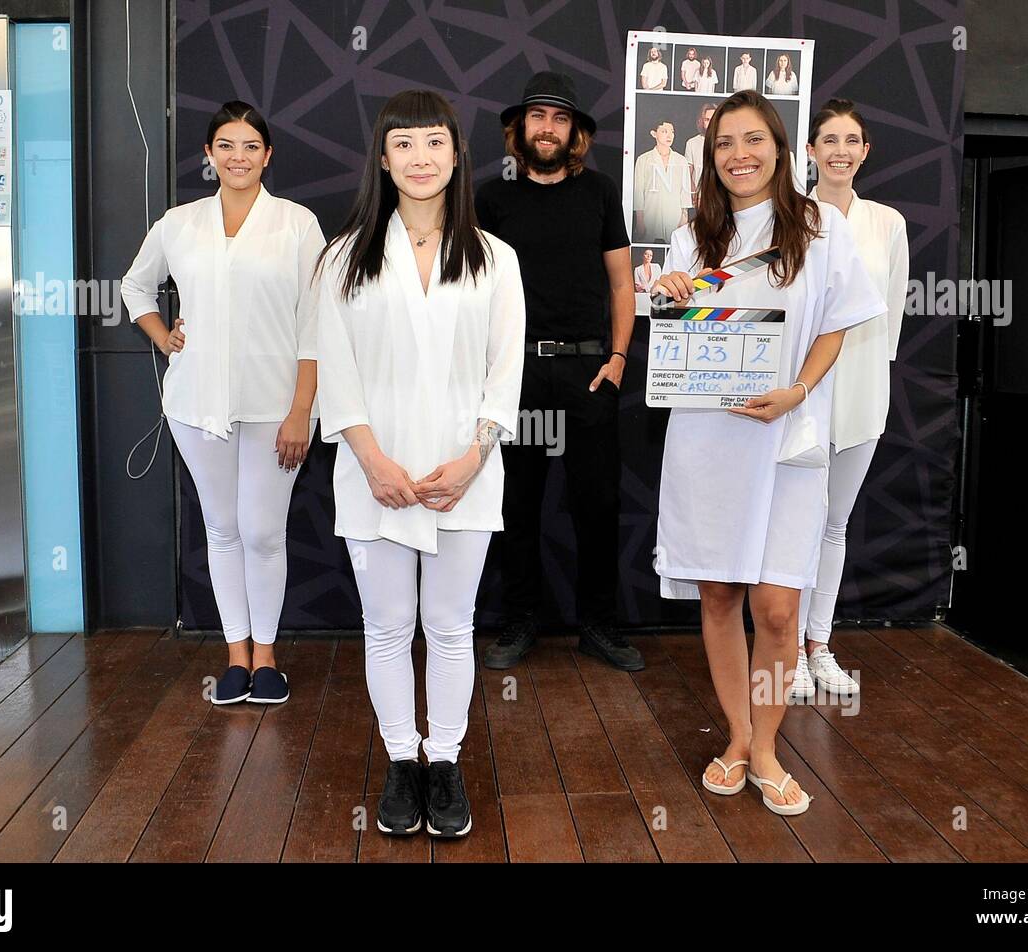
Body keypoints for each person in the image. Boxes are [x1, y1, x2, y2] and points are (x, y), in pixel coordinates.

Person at [652, 90, 883, 815]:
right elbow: (676, 331)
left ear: (782, 151)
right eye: (724, 143)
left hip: (789, 433)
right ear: (710, 156)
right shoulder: (694, 237)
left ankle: (767, 746)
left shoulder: (820, 227)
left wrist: (799, 391)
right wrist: (667, 294)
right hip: (708, 438)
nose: (739, 154)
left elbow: (839, 324)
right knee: (719, 592)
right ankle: (738, 736)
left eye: (754, 140)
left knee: (779, 609)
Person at [315, 90, 525, 839]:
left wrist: (473, 457)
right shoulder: (342, 258)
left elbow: (505, 374)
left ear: (457, 154)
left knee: (448, 626)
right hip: (374, 474)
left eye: (435, 143)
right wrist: (371, 461)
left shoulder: (496, 259)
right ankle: (400, 760)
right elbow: (333, 373)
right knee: (386, 627)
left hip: (464, 475)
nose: (421, 158)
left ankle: (445, 760)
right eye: (404, 144)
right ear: (383, 158)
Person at [122, 100, 323, 706]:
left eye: (251, 146)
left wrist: (301, 410)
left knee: (263, 531)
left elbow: (316, 322)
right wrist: (164, 336)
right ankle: (235, 655)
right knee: (222, 528)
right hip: (195, 403)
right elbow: (135, 286)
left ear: (268, 155)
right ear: (208, 155)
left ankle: (268, 656)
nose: (239, 157)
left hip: (275, 407)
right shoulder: (178, 224)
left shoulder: (296, 224)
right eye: (226, 146)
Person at [476, 71, 642, 672]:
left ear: (575, 133)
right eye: (537, 116)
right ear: (519, 129)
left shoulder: (599, 193)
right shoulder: (490, 200)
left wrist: (619, 359)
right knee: (516, 506)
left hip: (588, 373)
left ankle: (599, 626)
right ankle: (519, 623)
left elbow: (623, 283)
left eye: (560, 118)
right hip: (516, 375)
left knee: (597, 506)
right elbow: (474, 292)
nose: (547, 128)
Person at [789, 99, 909, 700]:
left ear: (865, 152)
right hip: (798, 396)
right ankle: (785, 656)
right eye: (828, 139)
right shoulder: (787, 217)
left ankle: (820, 647)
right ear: (809, 150)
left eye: (852, 140)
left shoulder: (887, 223)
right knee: (789, 528)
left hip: (861, 392)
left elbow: (888, 322)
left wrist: (867, 381)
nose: (840, 150)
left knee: (833, 526)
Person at [633, 119, 692, 243]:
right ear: (654, 133)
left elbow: (685, 192)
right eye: (664, 131)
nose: (669, 135)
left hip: (674, 214)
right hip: (651, 214)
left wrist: (684, 217)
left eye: (672, 132)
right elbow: (638, 192)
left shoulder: (681, 160)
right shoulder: (643, 159)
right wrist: (640, 220)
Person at [684, 102, 718, 207]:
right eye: (707, 120)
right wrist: (693, 191)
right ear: (702, 121)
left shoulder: (726, 141)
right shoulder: (692, 143)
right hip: (700, 194)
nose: (711, 123)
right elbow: (688, 172)